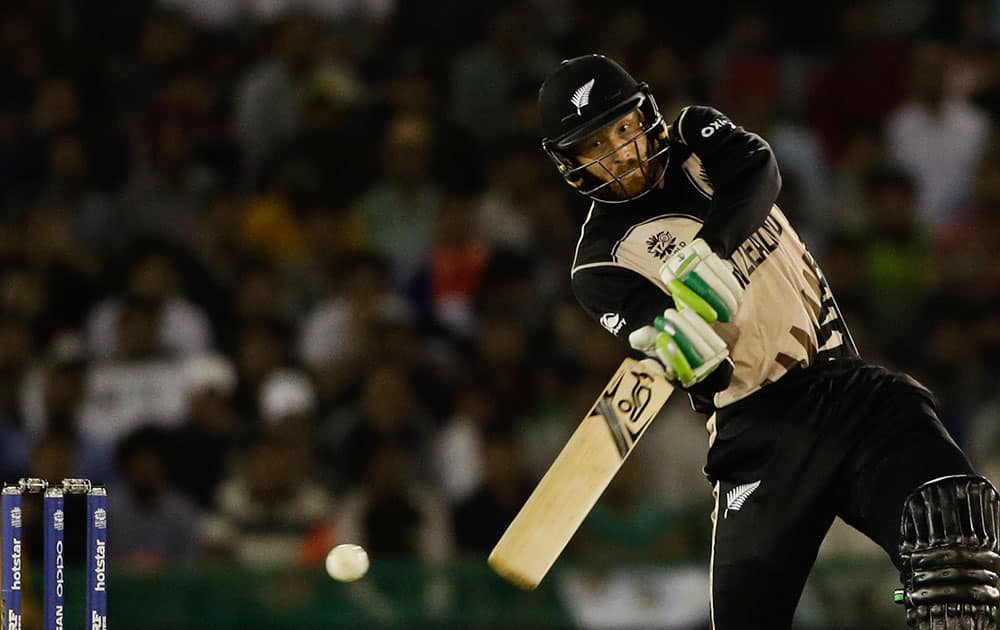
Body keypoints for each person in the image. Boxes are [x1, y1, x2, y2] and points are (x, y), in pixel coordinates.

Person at [537, 54, 999, 630]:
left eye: (625, 128)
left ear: (646, 115)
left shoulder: (694, 136)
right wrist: (686, 352)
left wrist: (712, 249)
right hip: (756, 436)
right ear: (573, 165)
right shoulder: (599, 262)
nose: (622, 153)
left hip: (851, 392)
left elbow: (760, 171)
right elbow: (659, 337)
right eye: (597, 146)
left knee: (951, 529)